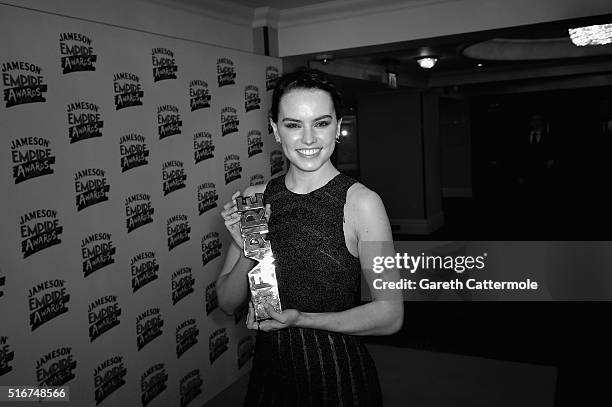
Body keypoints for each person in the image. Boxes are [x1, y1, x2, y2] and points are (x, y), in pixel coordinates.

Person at [217, 69, 403, 406]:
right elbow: (228, 302)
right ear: (274, 129)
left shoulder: (362, 204)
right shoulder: (256, 198)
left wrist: (301, 319)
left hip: (339, 378)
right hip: (269, 379)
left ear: (338, 126)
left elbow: (391, 315)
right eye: (293, 124)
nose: (308, 139)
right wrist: (251, 246)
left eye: (321, 123)